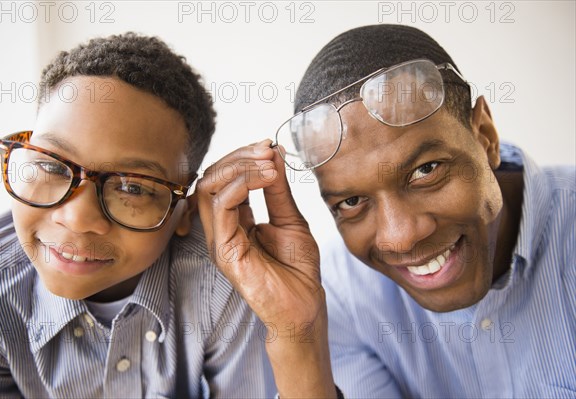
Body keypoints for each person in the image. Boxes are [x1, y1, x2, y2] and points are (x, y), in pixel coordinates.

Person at [197, 24, 575, 397]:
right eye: (351, 202)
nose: (401, 236)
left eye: (425, 171)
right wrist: (298, 337)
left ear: (485, 136)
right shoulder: (340, 297)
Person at [0, 33, 276, 398]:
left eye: (133, 188)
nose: (77, 218)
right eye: (52, 166)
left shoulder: (220, 284)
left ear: (185, 209)